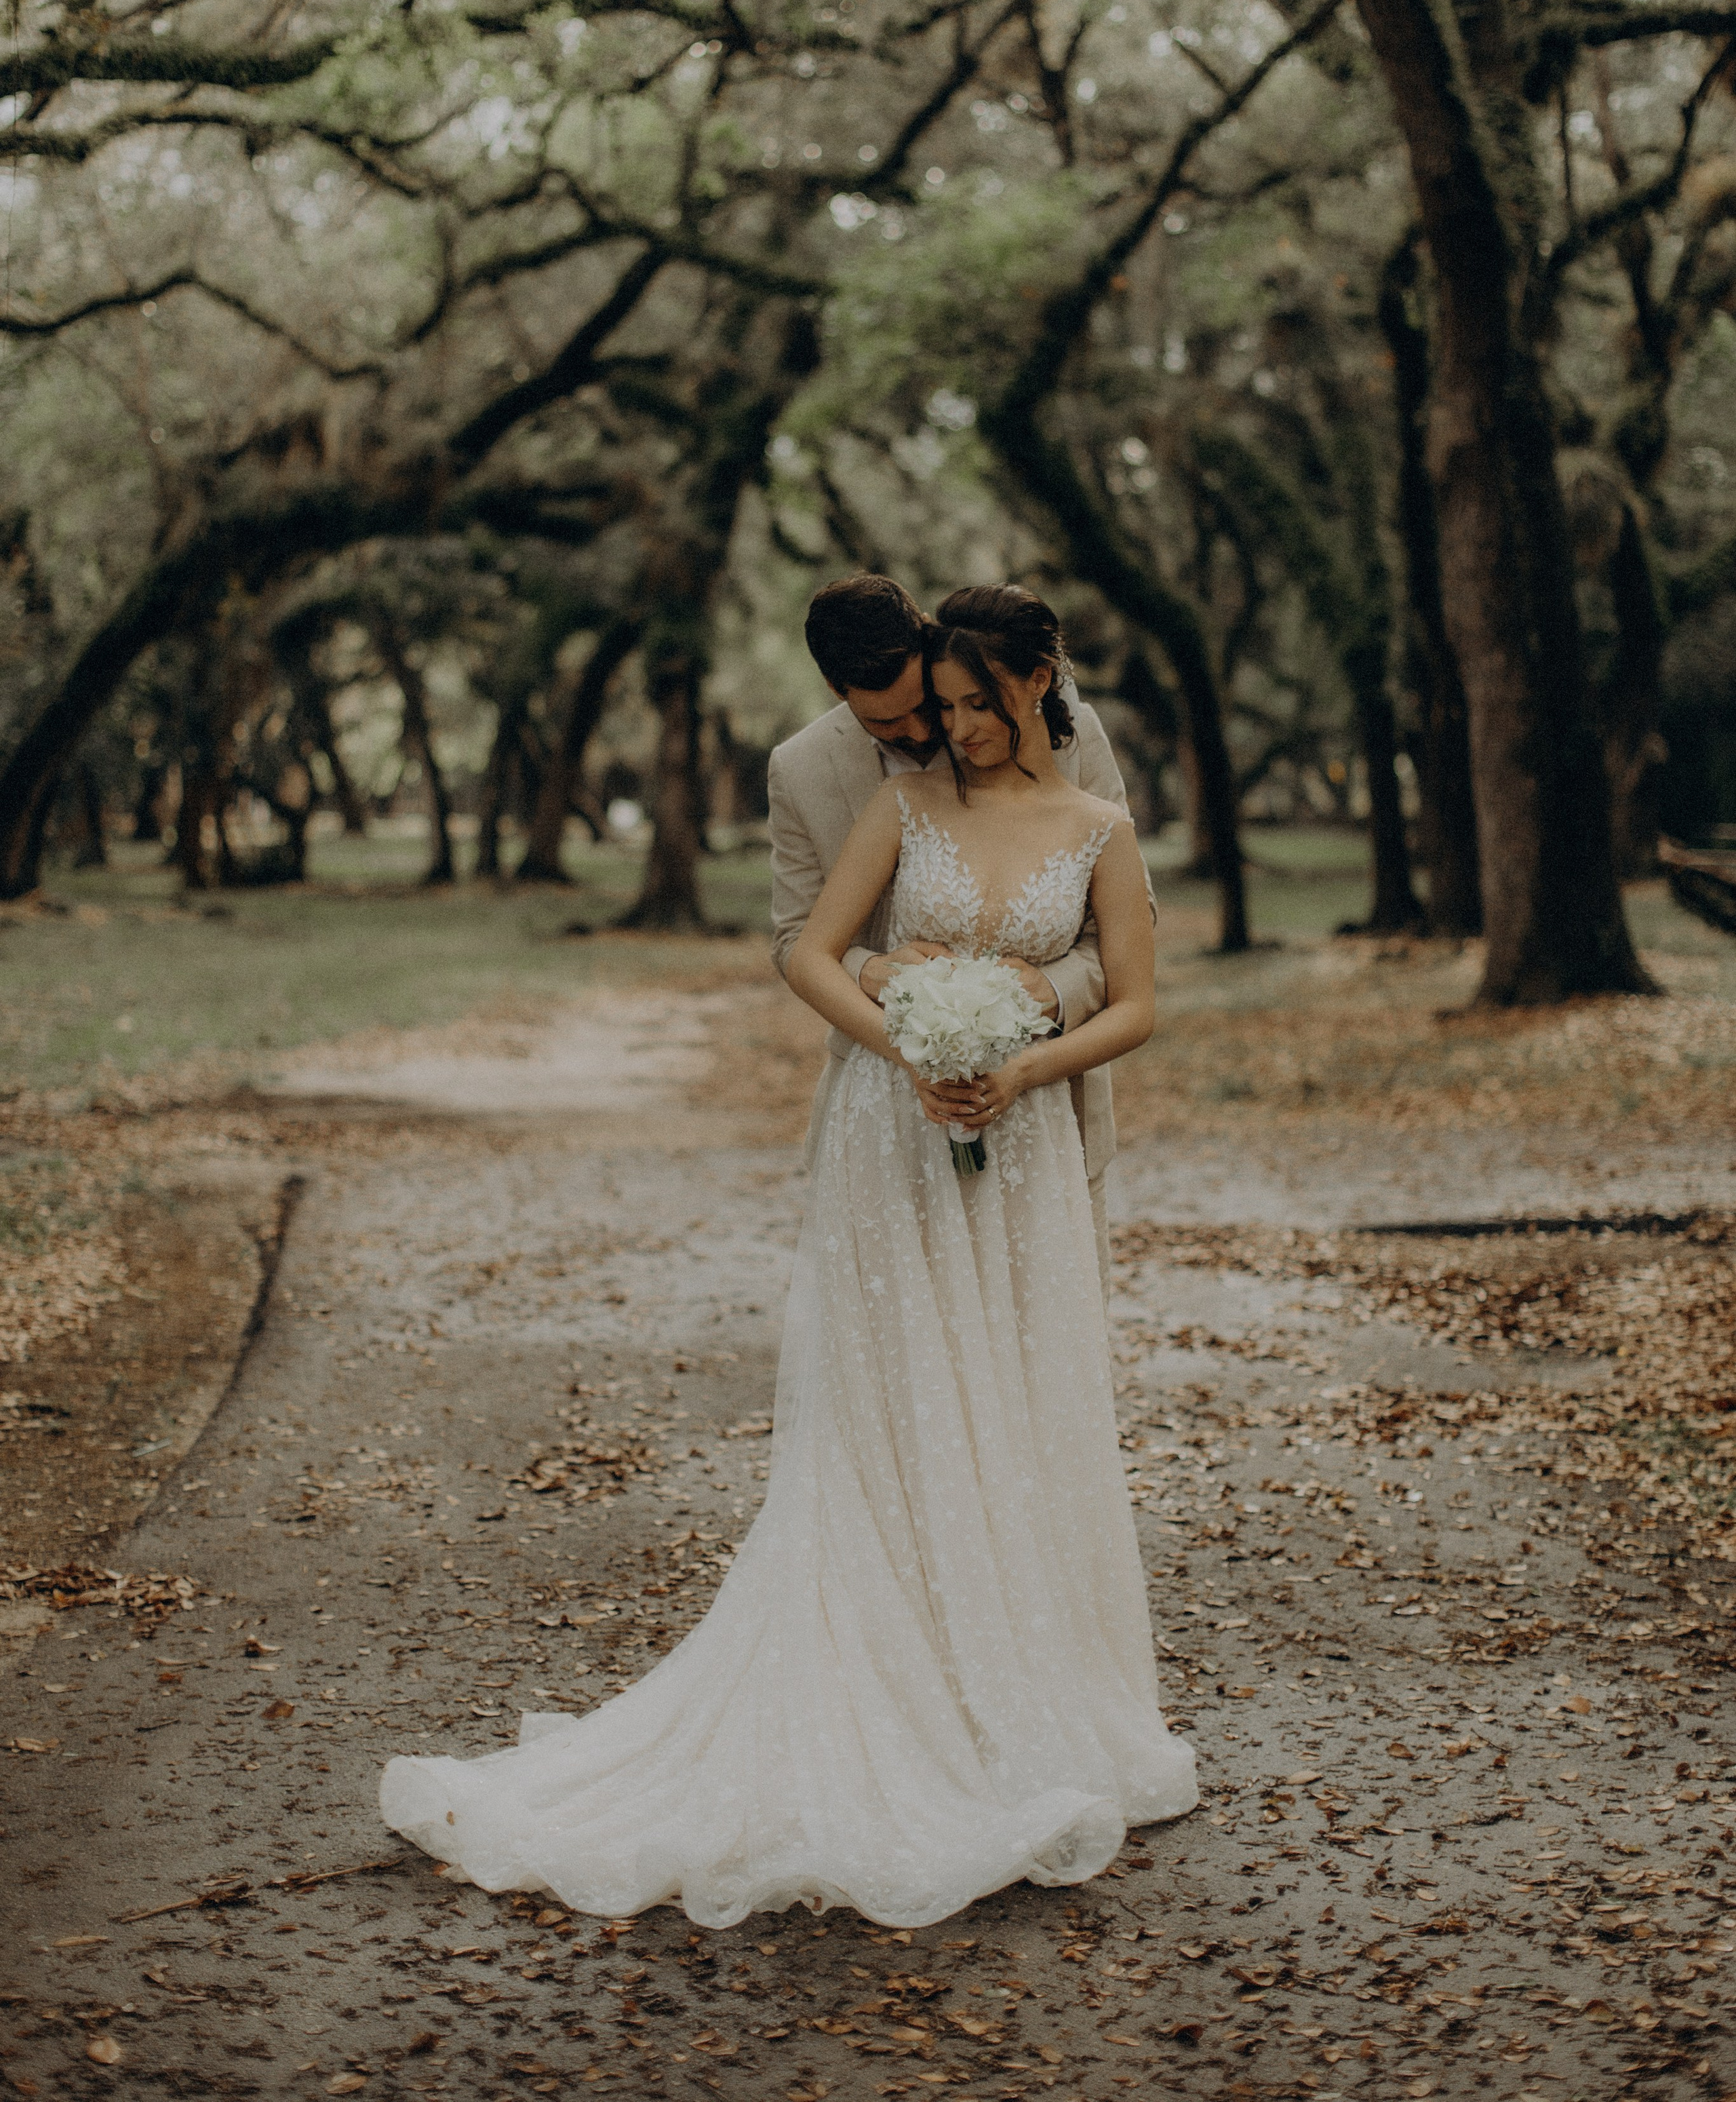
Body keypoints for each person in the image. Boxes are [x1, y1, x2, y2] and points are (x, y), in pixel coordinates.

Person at [378, 583, 1196, 1927]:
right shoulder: (881, 796)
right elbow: (806, 949)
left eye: (962, 708)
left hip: (1029, 1139)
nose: (938, 734)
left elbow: (1134, 982)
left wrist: (1017, 1048)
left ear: (1031, 683)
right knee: (887, 1411)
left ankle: (1018, 1679)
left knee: (1015, 1401)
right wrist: (913, 1037)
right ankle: (893, 1675)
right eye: (920, 714)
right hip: (894, 1130)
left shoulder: (1093, 806)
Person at [769, 573, 1141, 1283]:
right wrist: (878, 977)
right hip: (887, 1098)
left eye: (926, 709)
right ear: (836, 693)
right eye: (886, 723)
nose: (921, 732)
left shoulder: (1065, 733)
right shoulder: (802, 770)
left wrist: (1042, 994)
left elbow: (1130, 916)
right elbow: (797, 941)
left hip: (1043, 1099)